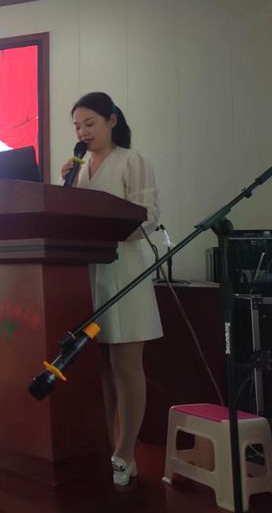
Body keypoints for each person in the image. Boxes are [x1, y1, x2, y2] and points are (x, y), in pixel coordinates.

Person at [60, 92, 163, 487]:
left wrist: (104, 229)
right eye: (77, 126)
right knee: (99, 367)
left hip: (125, 269)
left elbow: (149, 217)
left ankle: (126, 453)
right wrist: (66, 187)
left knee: (126, 365)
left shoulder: (132, 161)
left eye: (90, 123)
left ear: (112, 121)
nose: (82, 132)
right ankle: (105, 444)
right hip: (89, 271)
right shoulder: (78, 169)